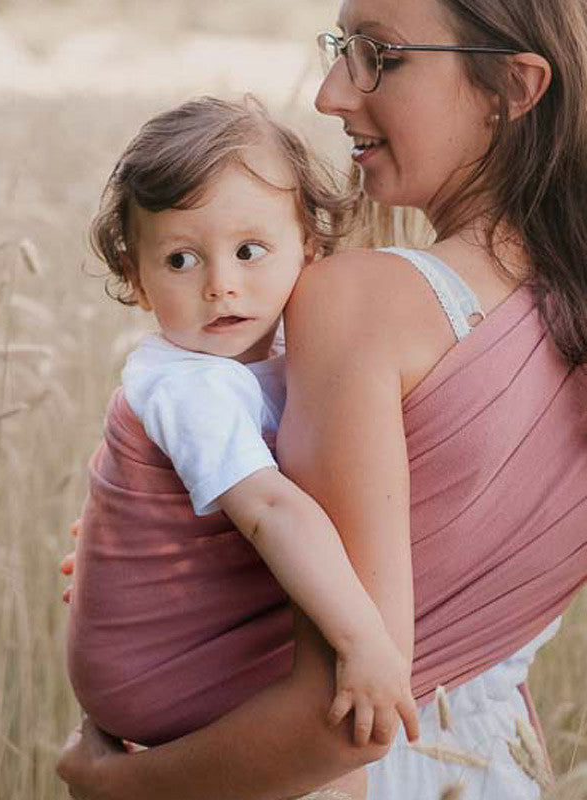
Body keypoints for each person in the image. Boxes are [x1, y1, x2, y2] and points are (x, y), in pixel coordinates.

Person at [57, 0, 587, 797]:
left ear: (512, 85)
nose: (332, 92)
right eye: (342, 48)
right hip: (493, 769)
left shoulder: (360, 304)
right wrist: (170, 558)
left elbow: (341, 725)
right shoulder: (569, 312)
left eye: (378, 53)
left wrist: (111, 786)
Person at [66, 97, 418, 786]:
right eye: (180, 260)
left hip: (179, 646)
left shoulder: (294, 347)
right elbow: (271, 510)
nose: (221, 284)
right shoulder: (190, 384)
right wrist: (365, 642)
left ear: (309, 248)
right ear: (136, 279)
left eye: (250, 251)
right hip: (163, 671)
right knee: (335, 743)